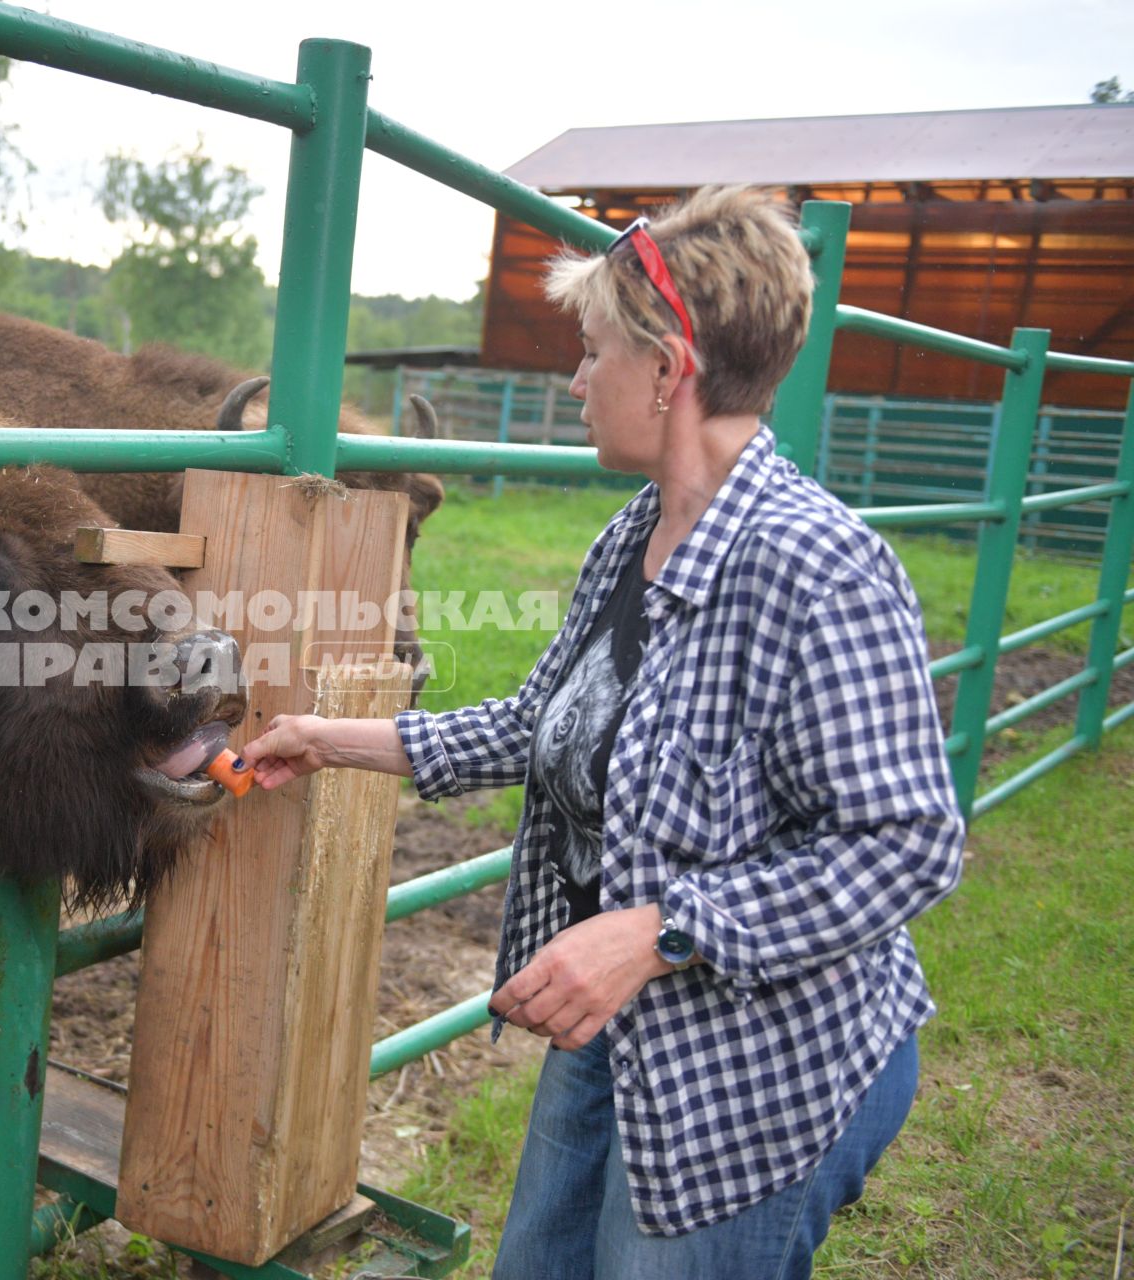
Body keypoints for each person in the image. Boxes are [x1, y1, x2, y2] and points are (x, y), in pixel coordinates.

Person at [239, 186, 965, 1280]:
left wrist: (656, 931)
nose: (575, 382)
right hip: (616, 1028)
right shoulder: (631, 533)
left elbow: (910, 842)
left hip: (758, 1069)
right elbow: (540, 724)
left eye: (593, 354)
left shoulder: (822, 568)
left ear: (669, 371)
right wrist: (330, 738)